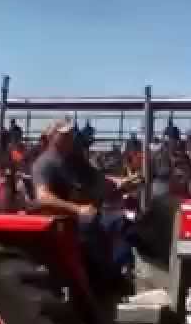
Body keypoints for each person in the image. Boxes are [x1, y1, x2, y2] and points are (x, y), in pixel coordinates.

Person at [31, 119, 139, 297]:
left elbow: (101, 182)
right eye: (64, 134)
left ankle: (118, 274)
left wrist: (123, 183)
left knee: (126, 223)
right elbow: (43, 198)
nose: (69, 138)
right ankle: (106, 280)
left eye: (70, 134)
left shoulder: (75, 161)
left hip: (89, 215)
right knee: (100, 223)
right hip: (65, 221)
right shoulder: (45, 164)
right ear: (52, 137)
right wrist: (77, 209)